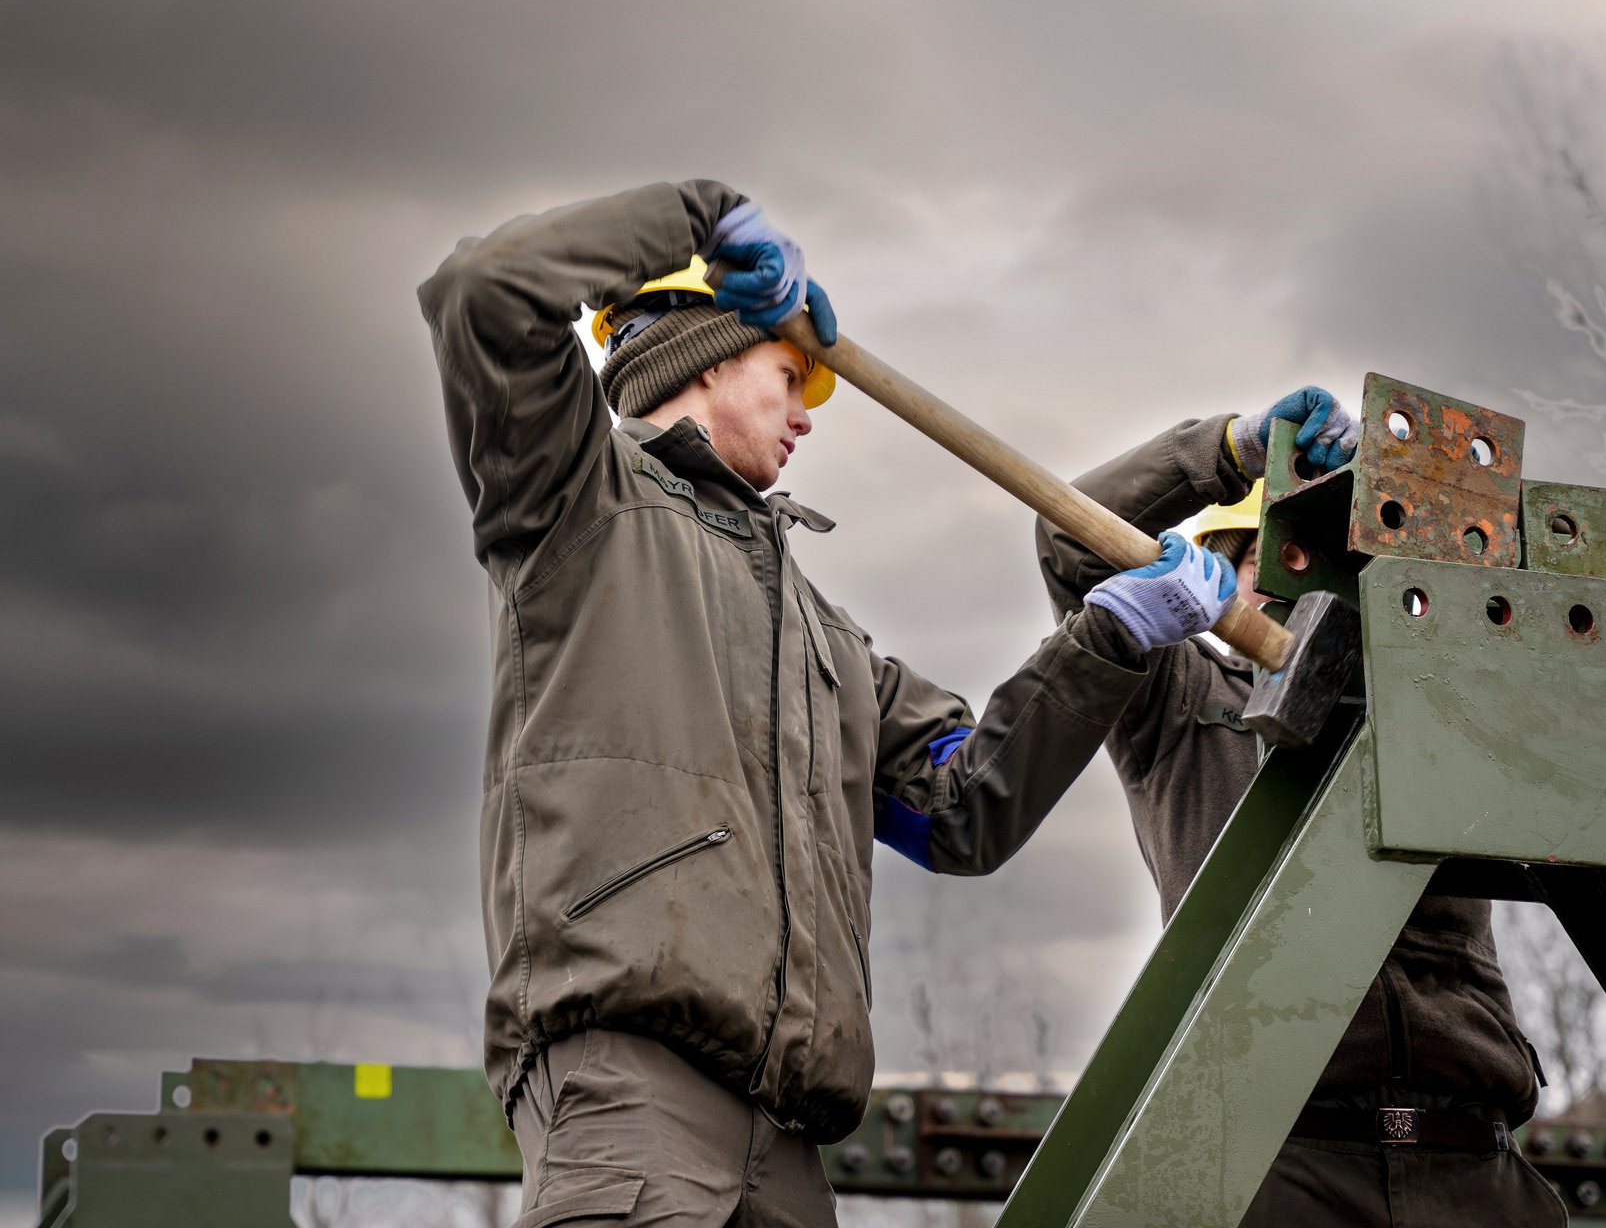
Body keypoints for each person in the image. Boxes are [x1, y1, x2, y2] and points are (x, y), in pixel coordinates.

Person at [417, 179, 1241, 1228]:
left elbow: (963, 812)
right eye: (789, 372)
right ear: (708, 350)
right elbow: (481, 291)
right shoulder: (579, 501)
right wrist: (699, 215)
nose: (808, 411)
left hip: (793, 1142)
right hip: (630, 1094)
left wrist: (1112, 638)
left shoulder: (827, 642)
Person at [1036, 393, 1567, 1227]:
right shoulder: (1179, 703)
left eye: (1328, 563)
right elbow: (1069, 541)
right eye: (1271, 564)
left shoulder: (1436, 706)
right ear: (1224, 579)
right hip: (1274, 1167)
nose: (1299, 586)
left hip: (1476, 1164)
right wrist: (1229, 451)